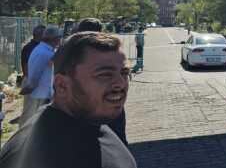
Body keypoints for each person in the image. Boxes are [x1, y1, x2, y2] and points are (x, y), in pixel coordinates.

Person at [0, 32, 136, 168]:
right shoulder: (42, 154)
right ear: (62, 85)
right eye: (105, 74)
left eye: (124, 73)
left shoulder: (90, 119)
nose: (120, 83)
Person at [74, 18, 128, 146]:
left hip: (83, 100)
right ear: (99, 31)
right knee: (117, 136)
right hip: (109, 98)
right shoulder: (109, 48)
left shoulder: (71, 50)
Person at [19, 26, 61, 126]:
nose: (60, 39)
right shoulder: (44, 53)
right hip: (41, 95)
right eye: (59, 37)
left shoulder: (45, 50)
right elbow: (35, 75)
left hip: (42, 94)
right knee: (35, 124)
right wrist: (30, 87)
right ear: (54, 39)